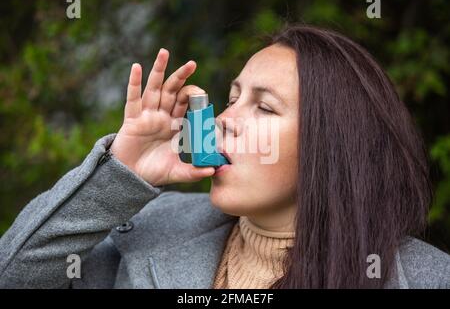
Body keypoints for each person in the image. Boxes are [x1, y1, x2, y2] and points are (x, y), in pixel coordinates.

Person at [0, 24, 449, 289]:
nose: (226, 119)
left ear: (332, 145)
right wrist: (120, 172)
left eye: (265, 106)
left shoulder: (430, 278)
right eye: (232, 99)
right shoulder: (150, 228)